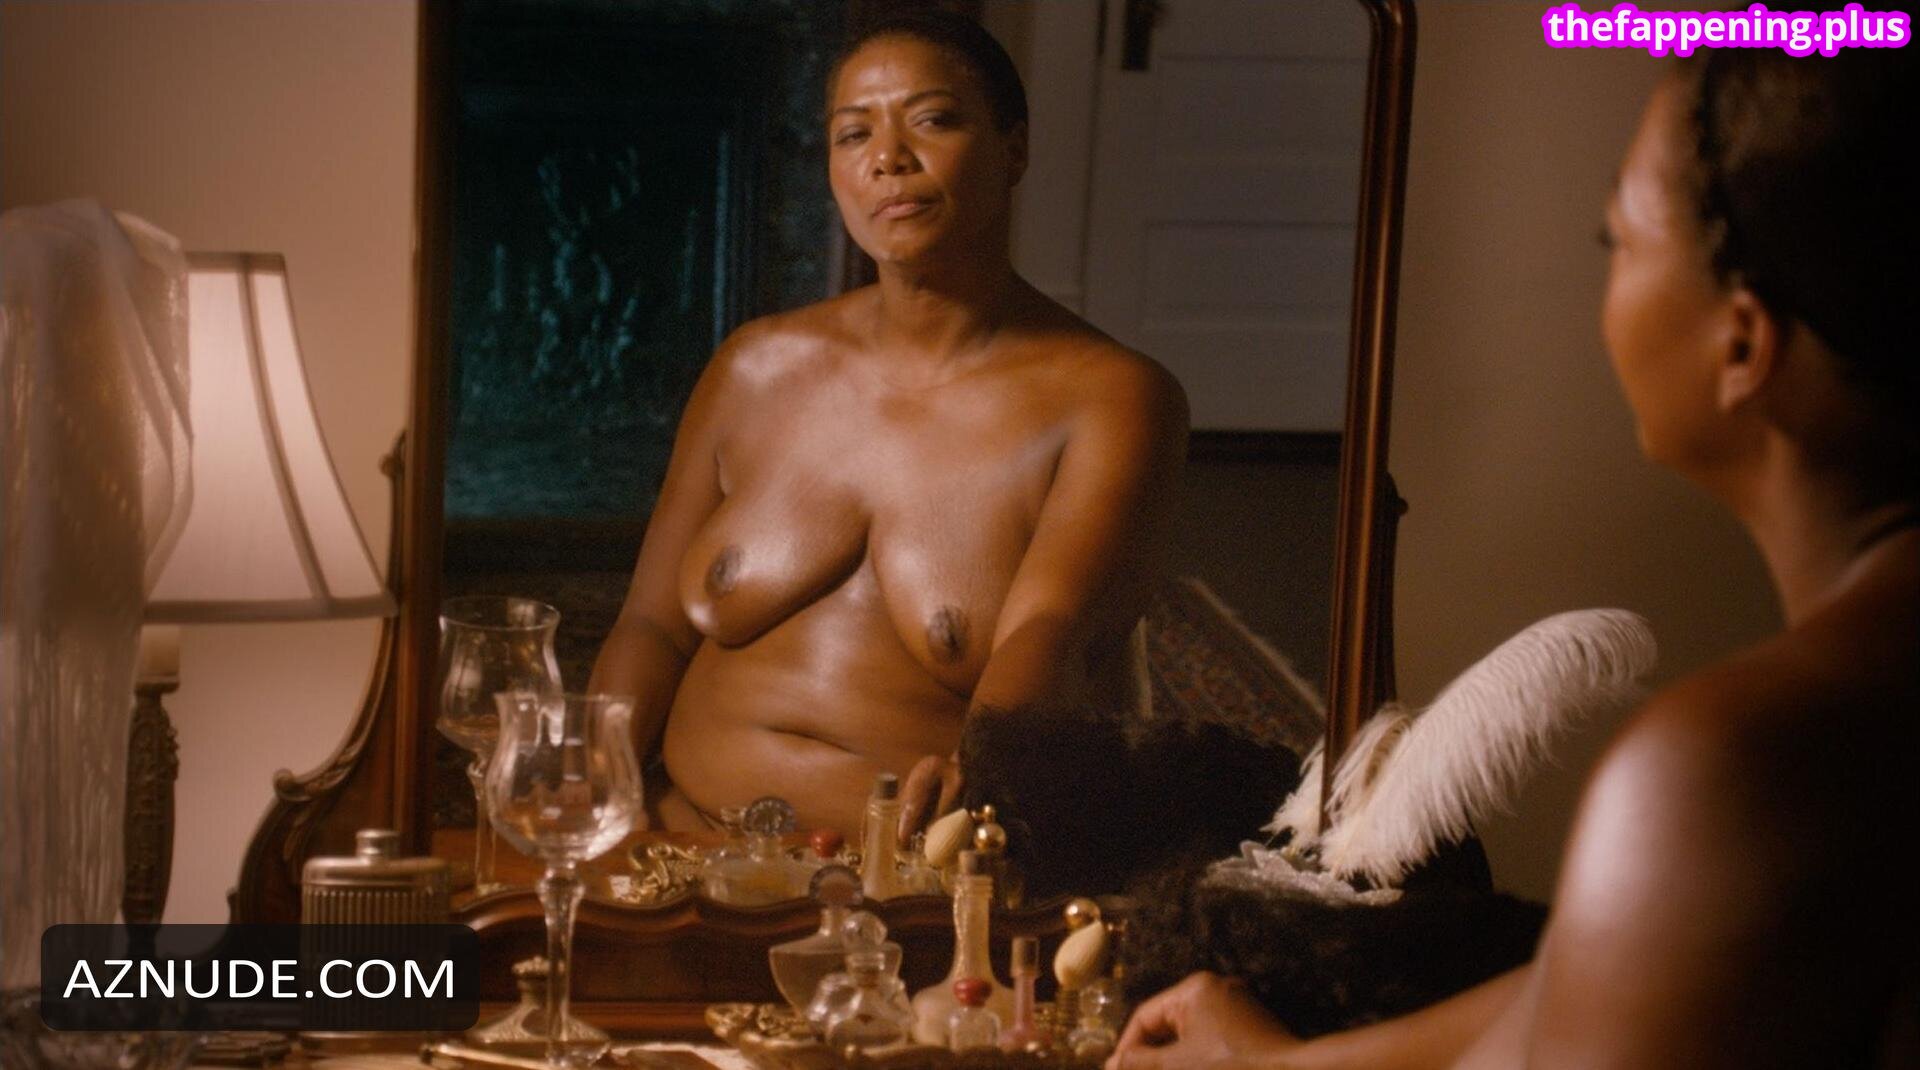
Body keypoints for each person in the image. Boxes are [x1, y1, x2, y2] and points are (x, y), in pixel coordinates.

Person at [1109, 46, 1918, 1070]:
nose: (1603, 276)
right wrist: (1282, 1063)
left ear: (1742, 345)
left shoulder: (1733, 770)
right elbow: (1594, 977)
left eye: (1617, 238)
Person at [589, 11, 1187, 840]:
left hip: (917, 873)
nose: (887, 158)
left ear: (1014, 149)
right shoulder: (755, 365)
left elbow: (1052, 633)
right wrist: (595, 783)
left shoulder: (1112, 396)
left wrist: (983, 776)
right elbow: (651, 623)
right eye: (853, 133)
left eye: (932, 120)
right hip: (678, 841)